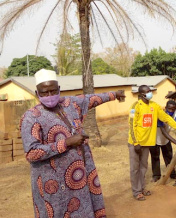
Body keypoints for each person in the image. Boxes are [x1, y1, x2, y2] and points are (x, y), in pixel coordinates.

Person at [20, 69, 125, 218]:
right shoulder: (31, 117)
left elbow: (91, 98)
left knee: (85, 209)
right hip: (55, 184)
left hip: (81, 175)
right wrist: (66, 143)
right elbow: (31, 153)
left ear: (59, 90)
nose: (49, 96)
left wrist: (115, 94)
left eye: (53, 91)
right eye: (44, 93)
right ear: (37, 93)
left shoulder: (69, 104)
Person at [128, 85, 176, 201]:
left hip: (148, 143)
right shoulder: (135, 106)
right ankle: (136, 191)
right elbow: (131, 124)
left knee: (143, 167)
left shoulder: (154, 106)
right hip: (136, 143)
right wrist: (136, 142)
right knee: (135, 168)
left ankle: (142, 188)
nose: (150, 93)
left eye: (150, 91)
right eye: (148, 91)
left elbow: (166, 118)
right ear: (142, 94)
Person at [149, 100, 176, 185]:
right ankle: (156, 175)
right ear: (165, 108)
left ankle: (172, 174)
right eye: (169, 109)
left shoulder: (175, 115)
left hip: (166, 141)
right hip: (155, 140)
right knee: (155, 157)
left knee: (169, 158)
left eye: (173, 109)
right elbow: (164, 132)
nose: (171, 111)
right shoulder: (160, 115)